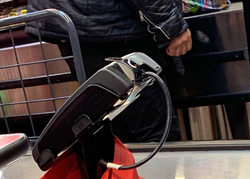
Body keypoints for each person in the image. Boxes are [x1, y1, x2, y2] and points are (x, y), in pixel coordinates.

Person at [27, 0, 191, 142]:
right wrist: (171, 25)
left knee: (117, 132)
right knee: (156, 134)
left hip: (73, 27)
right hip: (114, 27)